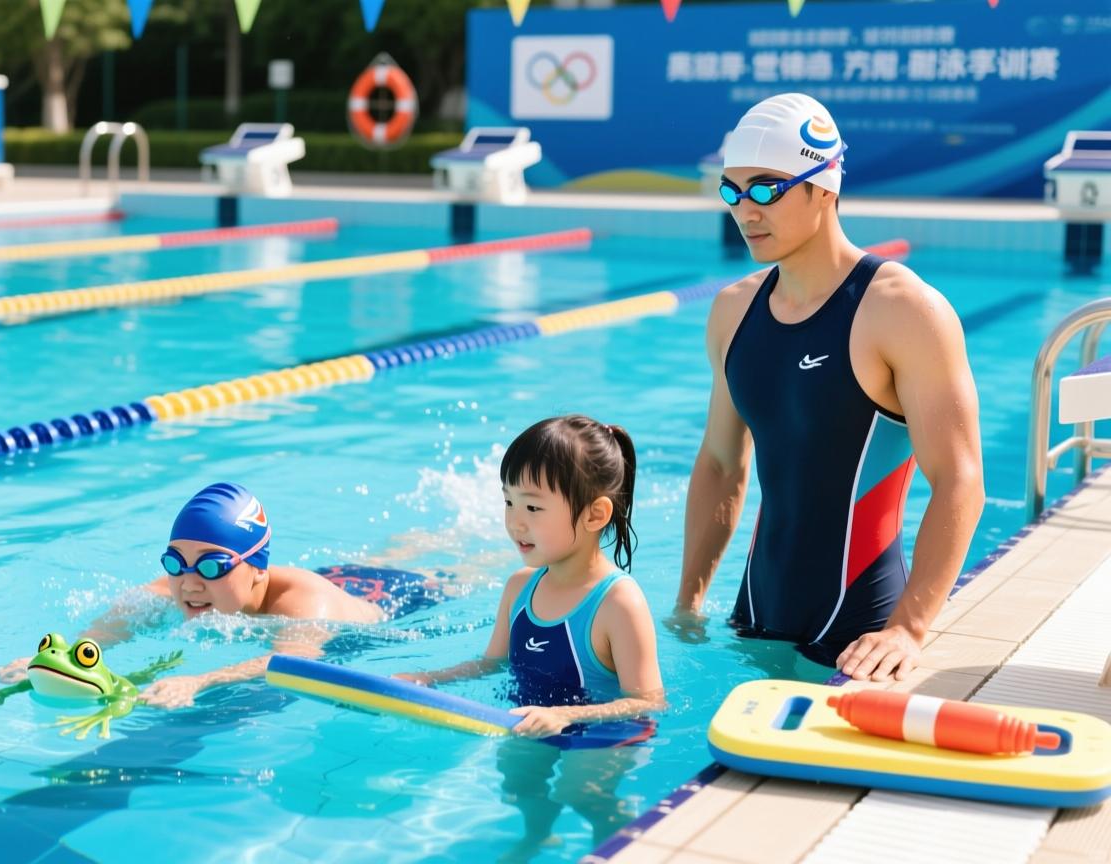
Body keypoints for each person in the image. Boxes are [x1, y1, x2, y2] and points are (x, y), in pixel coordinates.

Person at [670, 92, 985, 682]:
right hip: (755, 616)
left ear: (825, 185)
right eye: (732, 190)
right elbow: (719, 464)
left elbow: (960, 479)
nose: (745, 210)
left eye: (766, 188)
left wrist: (908, 628)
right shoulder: (733, 310)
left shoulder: (903, 310)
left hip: (861, 632)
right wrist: (689, 600)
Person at [395, 415, 664, 857]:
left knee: (582, 793)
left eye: (534, 508)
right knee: (518, 783)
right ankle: (538, 835)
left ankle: (619, 848)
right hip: (533, 719)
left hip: (604, 731)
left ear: (596, 513)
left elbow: (650, 702)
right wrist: (429, 678)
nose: (516, 523)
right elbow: (492, 663)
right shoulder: (520, 588)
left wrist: (566, 717)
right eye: (508, 503)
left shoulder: (617, 603)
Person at [0, 482, 456, 707]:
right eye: (176, 561)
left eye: (213, 566)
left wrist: (198, 680)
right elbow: (116, 620)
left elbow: (286, 663)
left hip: (403, 599)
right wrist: (68, 658)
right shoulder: (177, 586)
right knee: (392, 550)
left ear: (257, 569)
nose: (190, 582)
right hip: (340, 574)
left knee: (452, 567)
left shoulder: (302, 606)